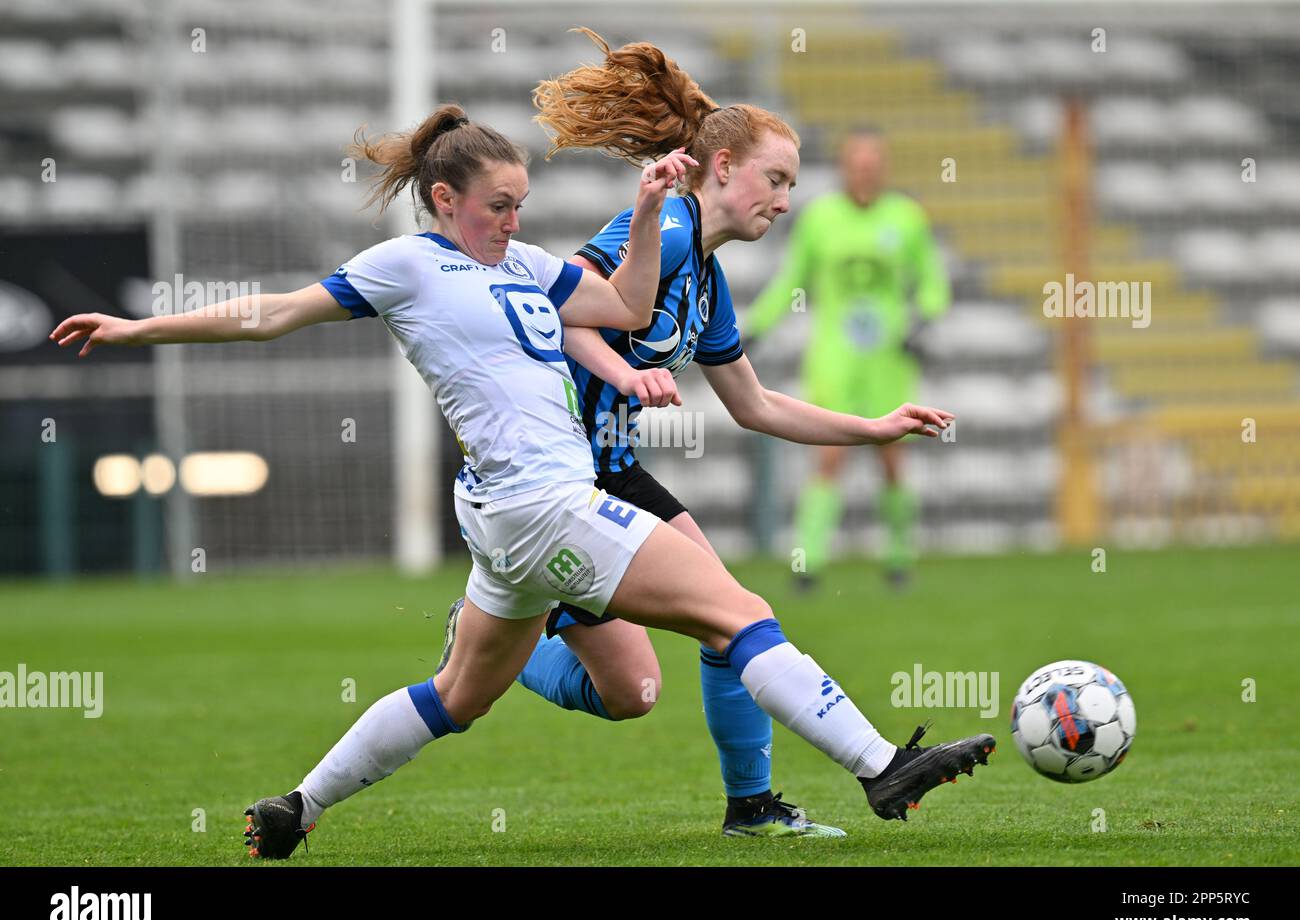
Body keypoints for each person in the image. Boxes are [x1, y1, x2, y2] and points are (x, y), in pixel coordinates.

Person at [51, 106, 993, 862]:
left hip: (512, 515)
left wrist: (640, 210)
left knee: (460, 697)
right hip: (550, 504)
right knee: (737, 615)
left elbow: (626, 304)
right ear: (443, 197)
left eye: (521, 204)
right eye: (498, 205)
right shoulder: (410, 265)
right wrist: (140, 330)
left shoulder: (534, 267)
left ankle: (298, 806)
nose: (514, 222)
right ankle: (880, 768)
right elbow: (272, 315)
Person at [436, 29, 970, 838]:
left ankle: (516, 649)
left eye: (792, 184)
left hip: (615, 470)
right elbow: (564, 306)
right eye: (777, 179)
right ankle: (791, 793)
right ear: (723, 167)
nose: (786, 201)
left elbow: (755, 406)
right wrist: (621, 376)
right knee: (738, 614)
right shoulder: (668, 229)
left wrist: (875, 427)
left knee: (637, 692)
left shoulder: (709, 282)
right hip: (556, 476)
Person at [747, 128, 951, 590]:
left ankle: (899, 559)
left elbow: (933, 281)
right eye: (858, 166)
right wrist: (757, 325)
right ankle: (810, 563)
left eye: (873, 166)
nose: (865, 174)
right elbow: (791, 281)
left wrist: (924, 322)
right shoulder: (821, 218)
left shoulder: (906, 217)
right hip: (835, 356)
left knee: (893, 456)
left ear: (883, 170)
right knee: (831, 455)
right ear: (845, 169)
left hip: (888, 357)